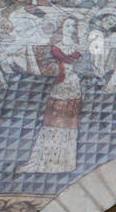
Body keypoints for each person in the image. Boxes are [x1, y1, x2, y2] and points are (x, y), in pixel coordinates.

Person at [18, 16, 84, 174]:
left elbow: (80, 64)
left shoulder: (78, 47)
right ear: (62, 27)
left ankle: (64, 162)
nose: (71, 28)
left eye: (73, 25)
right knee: (52, 120)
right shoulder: (56, 47)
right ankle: (44, 160)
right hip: (60, 84)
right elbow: (61, 59)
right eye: (67, 25)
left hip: (73, 84)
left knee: (69, 122)